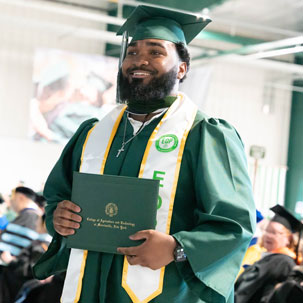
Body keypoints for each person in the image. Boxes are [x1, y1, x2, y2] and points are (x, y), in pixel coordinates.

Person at [34, 5, 256, 303]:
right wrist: (57, 217)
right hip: (89, 289)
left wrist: (177, 247)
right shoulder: (92, 132)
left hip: (165, 293)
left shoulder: (205, 135)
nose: (140, 61)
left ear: (182, 67)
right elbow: (57, 197)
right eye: (133, 52)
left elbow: (234, 226)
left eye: (156, 52)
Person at [235, 204, 303, 303]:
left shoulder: (281, 261)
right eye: (267, 231)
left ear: (288, 238)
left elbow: (248, 289)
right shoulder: (267, 256)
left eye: (274, 232)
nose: (268, 236)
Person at [0, 187, 41, 264]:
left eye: (12, 198)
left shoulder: (29, 216)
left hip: (14, 268)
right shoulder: (34, 216)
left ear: (21, 198)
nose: (11, 201)